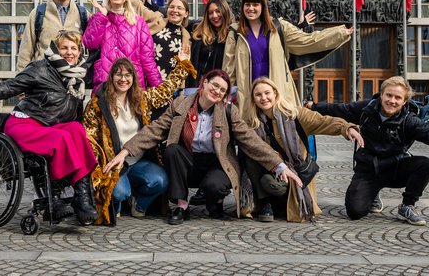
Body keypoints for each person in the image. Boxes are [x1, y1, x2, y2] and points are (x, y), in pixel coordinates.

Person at [103, 69, 303, 225]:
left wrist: (280, 165)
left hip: (215, 163)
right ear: (204, 83)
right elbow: (155, 129)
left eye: (222, 90)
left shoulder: (228, 111)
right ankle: (181, 205)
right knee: (172, 150)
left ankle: (214, 203)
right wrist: (126, 151)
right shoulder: (181, 104)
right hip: (188, 161)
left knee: (214, 185)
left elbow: (251, 140)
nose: (217, 91)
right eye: (214, 85)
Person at [0, 31, 100, 226]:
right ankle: (54, 198)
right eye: (64, 47)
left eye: (74, 48)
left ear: (79, 52)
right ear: (56, 49)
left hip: (51, 127)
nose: (69, 52)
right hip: (25, 124)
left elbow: (74, 115)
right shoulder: (41, 68)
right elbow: (11, 86)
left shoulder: (78, 76)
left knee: (77, 130)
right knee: (61, 137)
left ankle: (82, 197)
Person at [310, 76, 429, 226]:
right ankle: (373, 193)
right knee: (355, 212)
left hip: (395, 167)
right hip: (368, 169)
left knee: (424, 164)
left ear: (404, 101)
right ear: (381, 94)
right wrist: (313, 107)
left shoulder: (409, 121)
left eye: (397, 98)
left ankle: (407, 206)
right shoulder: (366, 109)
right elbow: (339, 109)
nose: (392, 101)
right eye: (389, 95)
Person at [83, 51, 197, 225]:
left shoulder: (141, 99)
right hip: (112, 162)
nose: (123, 79)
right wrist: (98, 169)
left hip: (137, 161)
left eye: (128, 75)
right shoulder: (98, 104)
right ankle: (119, 201)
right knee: (119, 192)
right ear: (111, 76)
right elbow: (89, 136)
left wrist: (182, 65)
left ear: (133, 78)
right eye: (119, 74)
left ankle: (139, 204)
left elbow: (165, 91)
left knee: (161, 181)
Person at [223, 0, 353, 121]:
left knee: (281, 134)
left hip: (277, 93)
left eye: (255, 4)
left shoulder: (279, 27)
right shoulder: (235, 33)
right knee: (253, 136)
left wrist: (340, 33)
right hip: (248, 97)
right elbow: (228, 71)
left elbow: (307, 40)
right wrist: (224, 98)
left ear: (263, 7)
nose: (251, 8)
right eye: (247, 4)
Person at [244, 77, 364, 222]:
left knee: (270, 183)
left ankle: (284, 202)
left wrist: (346, 128)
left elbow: (323, 121)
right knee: (249, 157)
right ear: (253, 98)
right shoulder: (252, 122)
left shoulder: (295, 115)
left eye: (267, 93)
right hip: (271, 167)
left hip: (297, 171)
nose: (263, 98)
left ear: (275, 93)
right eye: (258, 95)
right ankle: (265, 203)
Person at [101, 0, 191, 81]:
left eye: (179, 8)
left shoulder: (188, 35)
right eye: (171, 7)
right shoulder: (157, 19)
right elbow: (135, 3)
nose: (175, 11)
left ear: (186, 13)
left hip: (174, 85)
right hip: (150, 81)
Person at [83, 0, 162, 91]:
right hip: (105, 84)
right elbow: (90, 44)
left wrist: (159, 88)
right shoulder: (99, 18)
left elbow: (147, 59)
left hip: (132, 86)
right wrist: (101, 17)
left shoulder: (138, 23)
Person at [17, 0, 88, 71]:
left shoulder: (84, 14)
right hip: (44, 80)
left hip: (73, 81)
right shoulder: (38, 13)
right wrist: (22, 82)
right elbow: (25, 52)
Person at [187, 0, 234, 88]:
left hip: (219, 88)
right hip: (196, 87)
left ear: (225, 11)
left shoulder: (233, 35)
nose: (214, 16)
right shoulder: (199, 33)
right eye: (210, 13)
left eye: (218, 11)